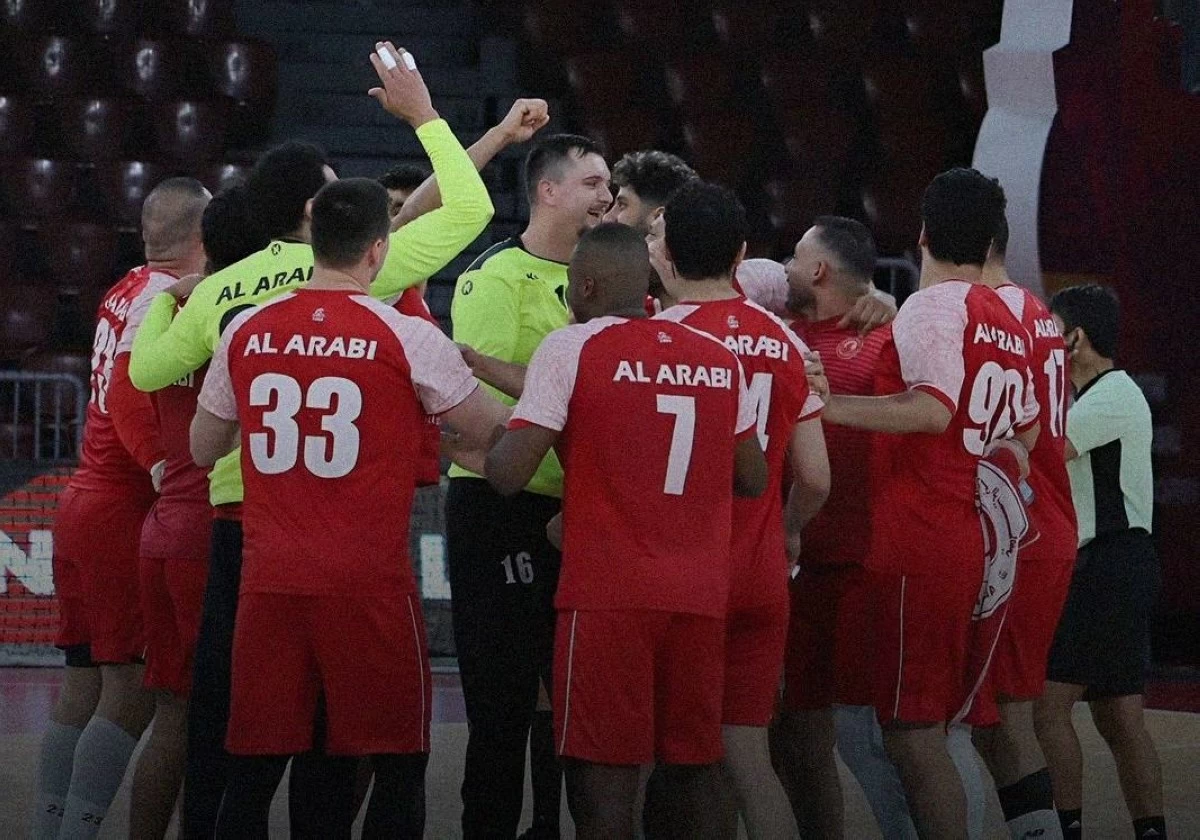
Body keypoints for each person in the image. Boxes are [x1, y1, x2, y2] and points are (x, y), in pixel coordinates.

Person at [128, 41, 496, 838]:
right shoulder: (382, 286)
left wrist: (165, 296)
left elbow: (151, 374)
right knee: (354, 746)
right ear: (344, 228)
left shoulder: (230, 297)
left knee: (238, 740)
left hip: (252, 535)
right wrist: (427, 116)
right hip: (355, 553)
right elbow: (470, 210)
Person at [190, 178, 512, 838]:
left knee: (252, 769)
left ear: (313, 239)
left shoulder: (247, 328)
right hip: (367, 586)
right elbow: (492, 431)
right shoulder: (406, 337)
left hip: (270, 582)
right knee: (397, 762)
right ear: (378, 249)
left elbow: (202, 448)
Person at [485, 222, 768, 840]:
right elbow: (753, 477)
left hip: (608, 595)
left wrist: (478, 435)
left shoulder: (571, 347)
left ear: (585, 285)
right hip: (698, 593)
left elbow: (508, 474)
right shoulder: (717, 357)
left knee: (604, 771)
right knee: (690, 764)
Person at [820, 168, 1039, 839]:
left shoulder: (933, 307)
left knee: (913, 733)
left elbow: (932, 410)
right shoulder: (1006, 314)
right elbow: (1027, 429)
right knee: (937, 727)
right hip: (969, 538)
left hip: (918, 536)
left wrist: (825, 404)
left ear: (921, 233)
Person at [32, 178, 211, 840]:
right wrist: (164, 469)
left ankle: (49, 831)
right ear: (202, 233)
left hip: (83, 502)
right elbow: (131, 396)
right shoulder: (167, 298)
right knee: (131, 693)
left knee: (82, 686)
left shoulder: (125, 286)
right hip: (121, 509)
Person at [650, 183, 829, 839]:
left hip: (681, 578)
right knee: (750, 761)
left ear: (665, 255)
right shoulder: (784, 342)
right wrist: (787, 532)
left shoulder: (654, 339)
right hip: (761, 574)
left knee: (679, 766)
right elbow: (816, 477)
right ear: (741, 254)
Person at [448, 133, 611, 838]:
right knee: (500, 700)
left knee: (563, 694)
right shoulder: (496, 276)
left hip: (574, 511)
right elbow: (477, 405)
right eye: (593, 184)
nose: (607, 197)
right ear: (547, 191)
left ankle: (546, 825)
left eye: (608, 185)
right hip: (499, 504)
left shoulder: (607, 281)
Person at [116, 185, 268, 839]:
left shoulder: (165, 309)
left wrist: (154, 462)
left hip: (163, 527)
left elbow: (131, 388)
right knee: (217, 722)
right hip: (208, 532)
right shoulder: (240, 322)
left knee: (173, 717)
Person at [765, 217, 919, 840]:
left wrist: (892, 307)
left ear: (820, 270)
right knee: (793, 734)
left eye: (796, 256)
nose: (786, 267)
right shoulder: (778, 331)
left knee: (870, 736)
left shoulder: (890, 338)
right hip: (792, 566)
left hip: (861, 567)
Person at [956, 215, 1077, 840]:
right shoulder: (1037, 313)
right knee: (1002, 716)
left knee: (996, 718)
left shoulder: (990, 314)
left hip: (1018, 530)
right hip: (1043, 521)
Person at [1036, 284, 1167, 840]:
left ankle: (1066, 830)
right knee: (1120, 719)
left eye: (1050, 331)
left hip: (1106, 567)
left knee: (1047, 709)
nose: (1043, 342)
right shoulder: (1095, 396)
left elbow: (1047, 450)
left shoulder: (1114, 394)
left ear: (1076, 338)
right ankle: (1151, 831)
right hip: (1117, 567)